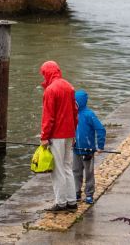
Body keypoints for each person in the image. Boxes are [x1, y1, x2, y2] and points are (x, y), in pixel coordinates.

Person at [39, 60, 79, 212]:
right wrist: (74, 131)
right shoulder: (68, 86)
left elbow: (48, 117)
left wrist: (44, 136)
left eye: (43, 73)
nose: (43, 76)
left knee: (57, 170)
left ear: (47, 73)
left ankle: (60, 203)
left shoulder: (50, 90)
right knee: (67, 166)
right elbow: (75, 112)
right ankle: (71, 201)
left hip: (56, 135)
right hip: (69, 133)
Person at [72, 89, 106, 205]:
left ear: (80, 102)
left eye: (75, 102)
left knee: (89, 173)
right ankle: (76, 192)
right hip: (76, 149)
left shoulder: (89, 114)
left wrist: (100, 146)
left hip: (88, 151)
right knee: (76, 171)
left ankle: (89, 194)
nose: (73, 104)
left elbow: (101, 129)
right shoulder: (72, 114)